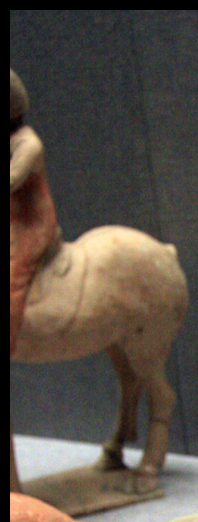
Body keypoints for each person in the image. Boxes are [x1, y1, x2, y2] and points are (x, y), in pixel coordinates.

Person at [10, 69, 61, 356]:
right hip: (13, 219)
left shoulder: (29, 145)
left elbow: (12, 180)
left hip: (32, 224)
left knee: (14, 278)